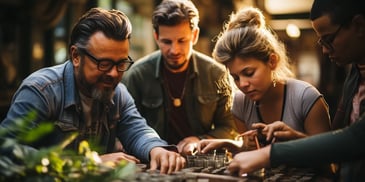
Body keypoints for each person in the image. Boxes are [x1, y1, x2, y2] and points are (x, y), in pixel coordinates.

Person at [0, 7, 185, 174]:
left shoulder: (118, 93)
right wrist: (87, 163)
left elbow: (138, 130)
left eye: (121, 63)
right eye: (104, 64)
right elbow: (7, 150)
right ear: (76, 56)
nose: (113, 74)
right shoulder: (41, 91)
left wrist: (157, 149)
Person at [224, 0, 365, 180]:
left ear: (359, 26)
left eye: (329, 40)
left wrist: (269, 154)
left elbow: (356, 138)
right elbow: (336, 144)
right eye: (235, 77)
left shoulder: (306, 97)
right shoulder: (354, 76)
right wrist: (295, 138)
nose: (323, 49)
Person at [196, 7, 331, 154]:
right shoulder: (241, 103)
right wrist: (232, 145)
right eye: (235, 77)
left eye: (249, 73)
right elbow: (251, 155)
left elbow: (329, 164)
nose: (242, 84)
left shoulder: (306, 98)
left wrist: (295, 140)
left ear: (272, 61)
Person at [121, 0, 237, 156]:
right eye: (166, 42)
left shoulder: (217, 74)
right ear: (156, 36)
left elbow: (230, 128)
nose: (174, 50)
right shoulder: (138, 75)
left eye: (182, 41)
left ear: (194, 35)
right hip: (153, 161)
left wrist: (199, 140)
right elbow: (126, 128)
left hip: (202, 161)